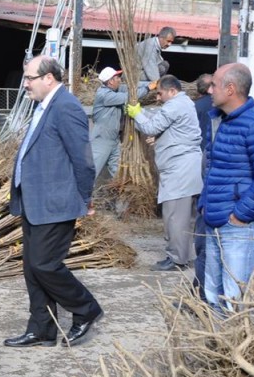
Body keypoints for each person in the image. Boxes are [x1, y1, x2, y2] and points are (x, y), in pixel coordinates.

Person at [3, 56, 103, 348]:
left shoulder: (66, 107)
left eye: (29, 78)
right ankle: (42, 329)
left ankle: (86, 309)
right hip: (35, 202)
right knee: (32, 268)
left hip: (56, 203)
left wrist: (85, 198)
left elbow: (83, 160)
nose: (24, 85)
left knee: (45, 265)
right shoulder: (43, 106)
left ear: (49, 78)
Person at [199, 63, 254, 311]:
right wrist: (205, 204)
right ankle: (216, 345)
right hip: (216, 218)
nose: (209, 89)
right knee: (213, 292)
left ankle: (235, 346)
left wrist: (240, 215)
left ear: (231, 89)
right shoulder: (219, 121)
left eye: (214, 84)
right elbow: (212, 167)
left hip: (239, 224)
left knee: (234, 297)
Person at [128, 75, 204, 271]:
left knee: (175, 216)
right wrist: (161, 139)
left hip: (180, 169)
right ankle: (179, 255)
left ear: (172, 91)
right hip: (180, 167)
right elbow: (174, 131)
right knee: (177, 215)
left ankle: (177, 259)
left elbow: (151, 126)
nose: (159, 98)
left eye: (160, 93)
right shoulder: (183, 103)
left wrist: (137, 114)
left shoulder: (175, 105)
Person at [191, 73, 216, 292]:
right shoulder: (215, 111)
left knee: (206, 246)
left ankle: (203, 293)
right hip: (211, 196)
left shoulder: (198, 106)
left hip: (218, 200)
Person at [90, 68, 126, 185]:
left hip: (114, 140)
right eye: (117, 78)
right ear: (110, 81)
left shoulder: (113, 91)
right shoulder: (104, 95)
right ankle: (80, 201)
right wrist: (148, 88)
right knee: (91, 174)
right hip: (102, 140)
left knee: (119, 175)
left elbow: (132, 87)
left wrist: (153, 83)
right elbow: (129, 96)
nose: (120, 80)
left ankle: (121, 201)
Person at [136, 27, 176, 97]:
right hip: (135, 75)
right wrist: (161, 86)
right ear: (161, 38)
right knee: (161, 69)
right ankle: (153, 86)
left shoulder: (155, 44)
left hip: (142, 71)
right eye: (168, 41)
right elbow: (151, 69)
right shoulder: (150, 47)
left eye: (171, 42)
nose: (169, 44)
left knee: (164, 64)